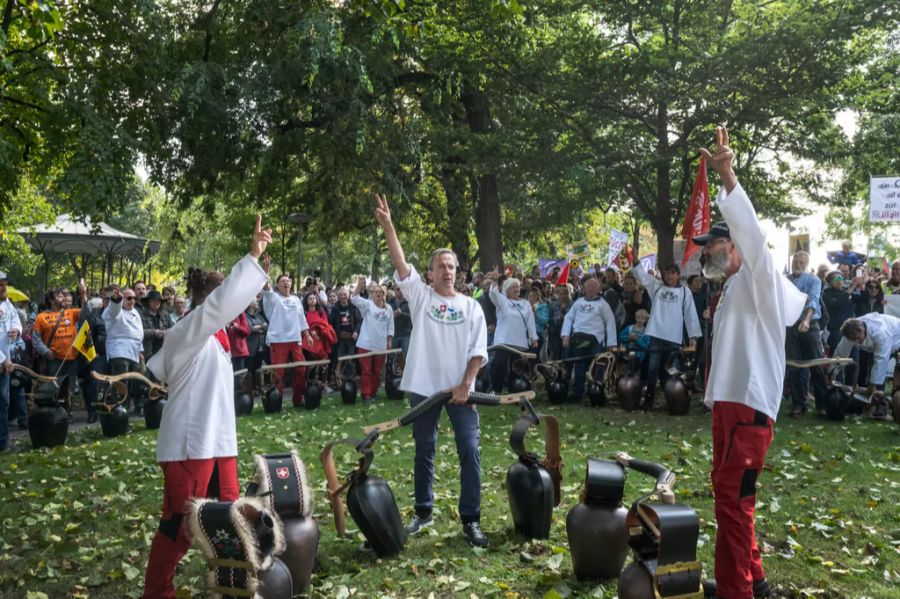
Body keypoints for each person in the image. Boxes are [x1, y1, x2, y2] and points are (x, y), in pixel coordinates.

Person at [695, 126, 807, 599]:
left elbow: (757, 242)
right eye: (707, 249)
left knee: (733, 501)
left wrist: (728, 178)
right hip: (729, 405)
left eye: (719, 245)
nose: (711, 254)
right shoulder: (730, 290)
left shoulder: (763, 278)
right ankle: (753, 579)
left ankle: (735, 591)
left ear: (737, 244)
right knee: (732, 497)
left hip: (748, 409)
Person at [142, 214, 271, 599]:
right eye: (230, 298)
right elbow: (221, 305)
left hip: (217, 442)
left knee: (228, 520)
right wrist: (251, 257)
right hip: (188, 445)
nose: (239, 306)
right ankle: (157, 592)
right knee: (179, 526)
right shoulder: (190, 328)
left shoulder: (212, 336)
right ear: (211, 299)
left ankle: (232, 587)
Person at [374, 193, 489, 547]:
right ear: (430, 273)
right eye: (441, 266)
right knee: (424, 449)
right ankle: (423, 511)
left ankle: (470, 519)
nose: (448, 271)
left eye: (452, 266)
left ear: (458, 272)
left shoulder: (472, 308)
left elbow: (477, 352)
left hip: (460, 391)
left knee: (469, 450)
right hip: (424, 388)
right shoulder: (421, 297)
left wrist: (466, 384)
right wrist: (388, 226)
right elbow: (400, 260)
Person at [631, 261, 701, 410]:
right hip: (656, 334)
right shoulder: (656, 287)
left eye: (672, 273)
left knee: (673, 369)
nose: (668, 276)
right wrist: (636, 261)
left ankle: (673, 399)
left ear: (678, 275)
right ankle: (649, 399)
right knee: (652, 367)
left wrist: (693, 337)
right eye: (666, 273)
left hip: (674, 336)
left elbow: (691, 314)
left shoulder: (684, 292)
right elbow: (642, 277)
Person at [784, 251, 829, 418]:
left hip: (810, 325)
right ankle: (798, 404)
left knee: (816, 365)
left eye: (802, 262)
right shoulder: (784, 280)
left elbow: (813, 301)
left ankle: (822, 404)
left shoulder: (814, 280)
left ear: (806, 264)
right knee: (795, 366)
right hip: (790, 326)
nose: (798, 264)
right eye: (796, 260)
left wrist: (807, 320)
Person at [261, 267, 313, 407]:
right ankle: (276, 400)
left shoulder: (296, 300)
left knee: (300, 369)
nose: (286, 283)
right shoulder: (273, 299)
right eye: (283, 281)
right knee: (278, 372)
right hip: (278, 341)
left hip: (295, 340)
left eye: (288, 281)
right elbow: (266, 286)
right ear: (277, 285)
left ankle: (298, 398)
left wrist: (307, 334)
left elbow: (302, 319)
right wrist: (266, 270)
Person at [561, 277, 617, 403]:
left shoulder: (603, 304)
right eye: (588, 286)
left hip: (596, 339)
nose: (591, 289)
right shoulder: (578, 302)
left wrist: (611, 343)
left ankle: (595, 393)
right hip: (578, 338)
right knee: (579, 366)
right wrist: (565, 335)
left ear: (598, 289)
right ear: (584, 289)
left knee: (597, 367)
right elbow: (568, 318)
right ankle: (577, 393)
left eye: (593, 286)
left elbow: (610, 322)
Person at [834, 314, 900, 419]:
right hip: (882, 344)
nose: (857, 342)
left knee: (891, 378)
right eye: (854, 340)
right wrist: (832, 372)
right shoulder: (851, 330)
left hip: (897, 339)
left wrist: (873, 384)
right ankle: (879, 404)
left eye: (858, 338)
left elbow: (881, 361)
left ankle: (887, 405)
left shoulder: (880, 332)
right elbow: (840, 353)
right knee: (874, 375)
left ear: (862, 330)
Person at [488, 269, 538, 393]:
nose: (517, 289)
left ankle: (514, 390)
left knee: (517, 368)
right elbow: (493, 295)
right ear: (507, 289)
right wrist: (494, 281)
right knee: (500, 365)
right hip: (503, 340)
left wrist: (533, 337)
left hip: (519, 341)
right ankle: (496, 390)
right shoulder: (503, 301)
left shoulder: (525, 304)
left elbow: (530, 321)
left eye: (518, 286)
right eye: (513, 287)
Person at [33, 283, 86, 398]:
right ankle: (55, 412)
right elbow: (36, 340)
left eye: (64, 295)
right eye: (60, 296)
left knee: (70, 388)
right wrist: (46, 352)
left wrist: (83, 295)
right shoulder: (41, 317)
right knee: (55, 388)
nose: (64, 298)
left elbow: (86, 313)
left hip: (72, 358)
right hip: (54, 360)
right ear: (51, 300)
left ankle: (68, 412)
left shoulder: (71, 312)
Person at [351, 276, 394, 402]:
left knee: (377, 371)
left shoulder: (389, 309)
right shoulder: (368, 305)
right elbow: (354, 298)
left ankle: (373, 392)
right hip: (366, 343)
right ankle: (366, 394)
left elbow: (390, 326)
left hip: (381, 345)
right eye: (375, 292)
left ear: (384, 295)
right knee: (366, 370)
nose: (378, 294)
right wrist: (359, 285)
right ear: (372, 294)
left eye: (380, 292)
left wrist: (389, 340)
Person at [104, 286, 145, 414]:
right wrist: (116, 299)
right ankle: (117, 412)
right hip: (119, 352)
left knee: (133, 384)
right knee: (121, 385)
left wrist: (141, 351)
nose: (132, 300)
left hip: (134, 352)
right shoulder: (114, 311)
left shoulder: (135, 312)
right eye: (128, 298)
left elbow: (139, 333)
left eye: (133, 298)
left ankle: (125, 411)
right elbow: (114, 309)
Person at [78, 286, 111, 423]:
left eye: (112, 299)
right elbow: (85, 333)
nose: (109, 301)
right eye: (107, 298)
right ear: (102, 299)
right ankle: (93, 412)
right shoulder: (95, 315)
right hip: (98, 355)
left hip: (114, 354)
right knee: (94, 385)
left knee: (112, 384)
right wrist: (93, 353)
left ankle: (109, 410)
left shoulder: (121, 314)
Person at [0, 270, 23, 451]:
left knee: (4, 402)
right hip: (2, 362)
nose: (3, 288)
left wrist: (16, 330)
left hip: (5, 363)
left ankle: (3, 442)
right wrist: (2, 360)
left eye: (4, 283)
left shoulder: (7, 304)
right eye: (0, 284)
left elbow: (15, 319)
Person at [390, 286, 413, 357]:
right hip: (393, 335)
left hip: (406, 335)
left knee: (407, 357)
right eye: (398, 289)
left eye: (403, 289)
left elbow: (413, 317)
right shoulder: (389, 302)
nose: (400, 291)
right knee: (391, 358)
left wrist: (402, 314)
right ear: (394, 290)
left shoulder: (410, 302)